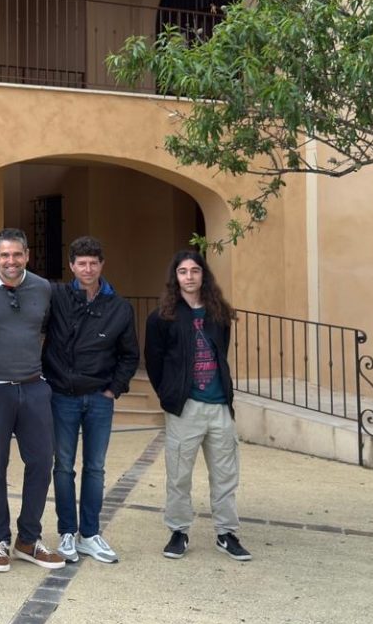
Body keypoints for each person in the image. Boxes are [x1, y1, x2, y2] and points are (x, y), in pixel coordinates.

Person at [0, 228, 64, 573]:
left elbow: (49, 329)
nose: (11, 261)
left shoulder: (42, 288)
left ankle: (28, 539)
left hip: (33, 386)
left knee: (42, 462)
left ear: (27, 255)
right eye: (4, 254)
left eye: (17, 254)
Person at [143, 249, 250, 562]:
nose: (189, 277)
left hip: (219, 407)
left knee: (225, 474)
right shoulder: (162, 317)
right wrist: (169, 394)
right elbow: (154, 361)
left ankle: (226, 533)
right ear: (175, 277)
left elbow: (221, 353)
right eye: (183, 271)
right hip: (185, 407)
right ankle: (178, 531)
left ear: (204, 275)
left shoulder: (219, 314)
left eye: (194, 271)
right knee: (179, 474)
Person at [43, 236, 139, 565]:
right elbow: (18, 285)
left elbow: (129, 355)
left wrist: (114, 389)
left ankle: (90, 533)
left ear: (101, 265)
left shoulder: (119, 307)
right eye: (81, 263)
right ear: (71, 266)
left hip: (99, 398)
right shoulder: (56, 296)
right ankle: (67, 532)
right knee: (63, 466)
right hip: (62, 396)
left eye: (93, 263)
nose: (87, 269)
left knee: (95, 467)